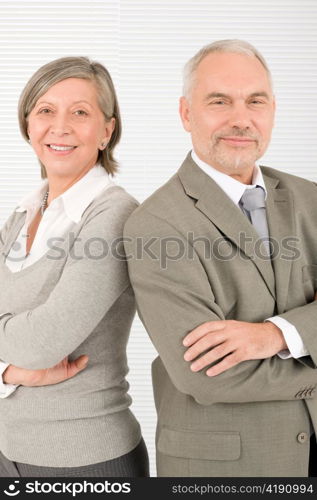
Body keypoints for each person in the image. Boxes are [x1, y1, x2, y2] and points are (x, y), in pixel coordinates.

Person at [123, 40, 317, 477]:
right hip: (226, 469)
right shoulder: (156, 224)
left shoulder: (311, 199)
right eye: (219, 101)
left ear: (272, 110)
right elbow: (206, 374)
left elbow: (265, 345)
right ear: (186, 113)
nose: (241, 119)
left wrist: (275, 336)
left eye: (255, 101)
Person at [0, 56, 149, 477]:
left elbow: (45, 342)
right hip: (9, 451)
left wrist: (22, 354)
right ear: (28, 125)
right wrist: (12, 371)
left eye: (80, 112)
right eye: (45, 110)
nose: (59, 127)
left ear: (106, 131)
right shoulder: (22, 214)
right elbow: (26, 349)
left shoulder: (115, 215)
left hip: (89, 458)